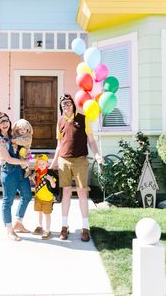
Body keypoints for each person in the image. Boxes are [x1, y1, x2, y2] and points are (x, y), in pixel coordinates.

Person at [50, 94, 103, 242]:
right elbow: (59, 146)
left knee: (81, 192)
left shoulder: (83, 118)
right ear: (61, 107)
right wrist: (52, 165)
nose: (66, 106)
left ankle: (85, 228)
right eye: (63, 104)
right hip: (64, 161)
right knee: (66, 192)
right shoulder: (60, 122)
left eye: (68, 103)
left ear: (73, 105)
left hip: (80, 160)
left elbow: (91, 140)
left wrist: (97, 154)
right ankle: (64, 227)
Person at [0, 112, 32, 241]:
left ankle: (18, 223)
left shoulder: (13, 136)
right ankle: (9, 230)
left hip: (20, 171)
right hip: (9, 172)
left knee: (27, 195)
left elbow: (23, 149)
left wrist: (28, 154)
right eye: (1, 122)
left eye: (6, 121)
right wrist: (24, 162)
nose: (4, 124)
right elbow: (8, 159)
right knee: (8, 201)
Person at [31, 154, 57, 239]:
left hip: (47, 198)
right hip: (38, 197)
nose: (41, 166)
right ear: (37, 164)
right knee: (39, 212)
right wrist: (32, 178)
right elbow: (37, 184)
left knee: (47, 214)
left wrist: (50, 180)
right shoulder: (37, 172)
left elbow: (53, 186)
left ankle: (47, 230)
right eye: (39, 164)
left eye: (43, 164)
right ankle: (40, 226)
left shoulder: (50, 173)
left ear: (47, 164)